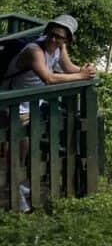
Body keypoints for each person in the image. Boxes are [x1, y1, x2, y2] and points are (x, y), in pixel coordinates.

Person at [2, 15, 96, 211]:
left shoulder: (59, 47)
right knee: (18, 148)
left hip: (32, 104)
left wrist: (86, 71)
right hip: (14, 104)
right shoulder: (34, 50)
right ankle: (15, 192)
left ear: (67, 40)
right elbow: (48, 79)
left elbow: (68, 67)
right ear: (47, 32)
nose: (54, 40)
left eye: (60, 37)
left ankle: (18, 185)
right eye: (52, 35)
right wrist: (81, 76)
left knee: (25, 147)